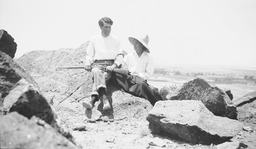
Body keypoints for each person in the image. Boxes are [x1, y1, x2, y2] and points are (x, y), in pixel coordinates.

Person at [83, 17, 123, 110]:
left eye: (109, 27)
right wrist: (87, 63)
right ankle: (105, 99)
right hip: (97, 65)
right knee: (96, 71)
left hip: (110, 66)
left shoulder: (115, 39)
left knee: (101, 76)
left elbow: (120, 55)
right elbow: (89, 55)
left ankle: (92, 100)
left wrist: (114, 65)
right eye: (106, 27)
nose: (108, 29)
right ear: (100, 27)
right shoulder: (94, 39)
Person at [110, 35, 163, 106]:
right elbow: (124, 67)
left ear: (142, 46)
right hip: (128, 79)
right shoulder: (129, 56)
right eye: (134, 43)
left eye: (136, 43)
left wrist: (137, 75)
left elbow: (148, 74)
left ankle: (153, 102)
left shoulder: (149, 58)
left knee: (143, 85)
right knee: (114, 75)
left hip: (140, 81)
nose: (134, 45)